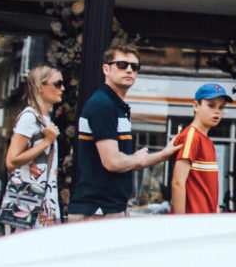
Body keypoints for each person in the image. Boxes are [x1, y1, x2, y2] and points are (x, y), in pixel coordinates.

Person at [65, 48, 177, 220]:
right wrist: (136, 158)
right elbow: (113, 162)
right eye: (122, 65)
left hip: (109, 208)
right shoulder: (103, 105)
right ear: (106, 69)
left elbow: (125, 161)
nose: (129, 70)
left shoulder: (115, 106)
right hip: (97, 211)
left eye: (135, 66)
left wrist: (163, 155)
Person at [0, 65, 66, 233]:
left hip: (44, 201)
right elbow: (11, 160)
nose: (62, 88)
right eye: (57, 83)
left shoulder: (45, 119)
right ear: (40, 87)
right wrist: (46, 142)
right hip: (28, 202)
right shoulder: (29, 118)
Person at [170, 84, 230, 215]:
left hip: (204, 222)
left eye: (221, 107)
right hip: (191, 224)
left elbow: (210, 188)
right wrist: (179, 222)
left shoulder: (207, 141)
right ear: (196, 106)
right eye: (211, 105)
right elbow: (178, 182)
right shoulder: (191, 136)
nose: (217, 111)